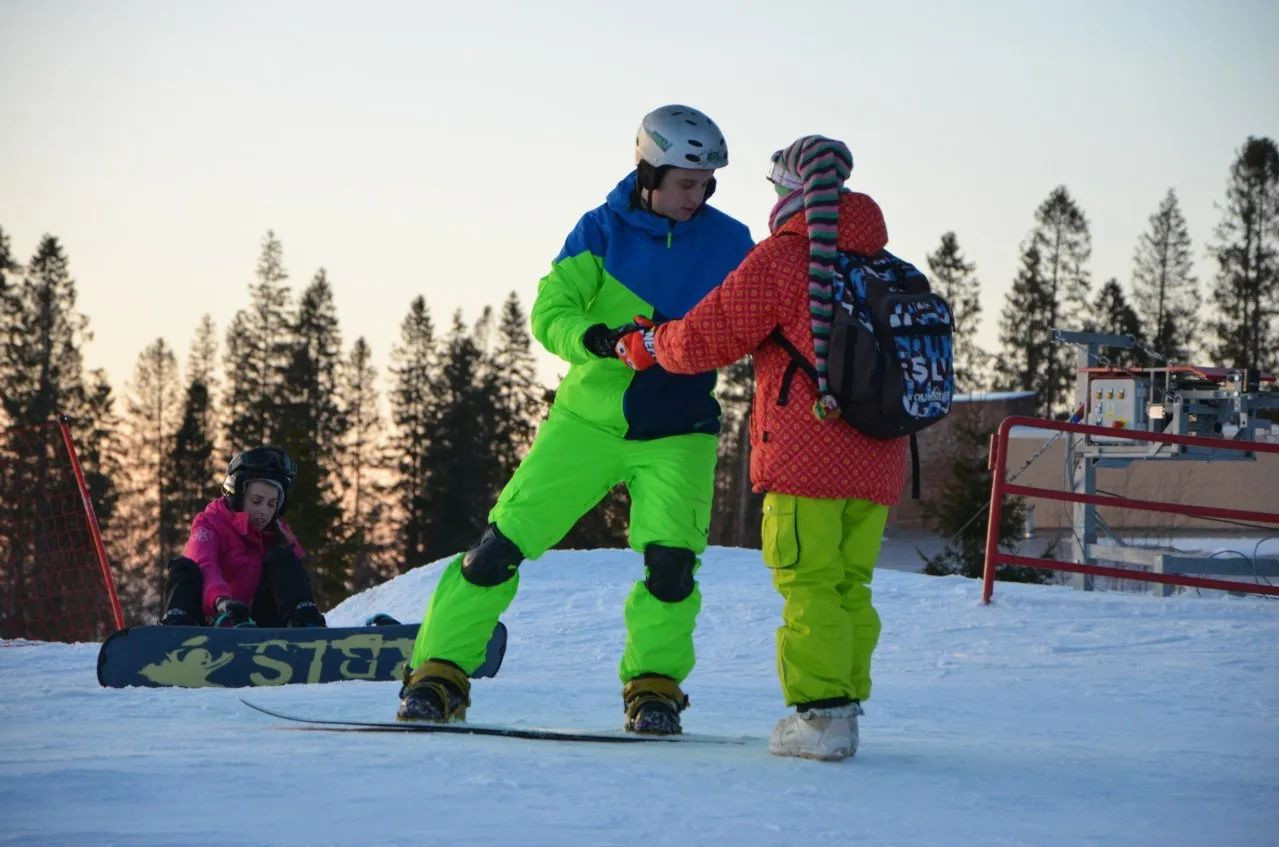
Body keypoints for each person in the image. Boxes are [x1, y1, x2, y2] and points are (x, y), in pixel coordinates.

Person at [396, 104, 754, 734]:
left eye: (706, 186)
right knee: (497, 550)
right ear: (648, 172)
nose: (696, 198)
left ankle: (654, 690)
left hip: (679, 434)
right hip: (585, 424)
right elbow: (550, 309)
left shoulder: (730, 244)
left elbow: (758, 324)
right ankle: (438, 675)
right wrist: (599, 339)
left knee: (670, 569)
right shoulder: (601, 231)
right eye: (685, 184)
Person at [615, 135, 908, 760]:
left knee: (808, 585)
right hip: (880, 460)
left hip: (809, 457)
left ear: (795, 191)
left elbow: (709, 334)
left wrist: (651, 346)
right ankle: (843, 710)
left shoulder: (785, 260)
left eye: (777, 188)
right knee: (849, 587)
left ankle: (821, 717)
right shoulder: (886, 263)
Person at [158, 446, 327, 628]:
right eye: (256, 501)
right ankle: (177, 633)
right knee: (184, 569)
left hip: (258, 627)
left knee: (285, 560)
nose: (264, 511)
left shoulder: (279, 535)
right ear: (237, 496)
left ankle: (306, 630)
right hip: (209, 625)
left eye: (272, 504)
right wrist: (220, 600)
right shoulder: (210, 523)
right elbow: (204, 564)